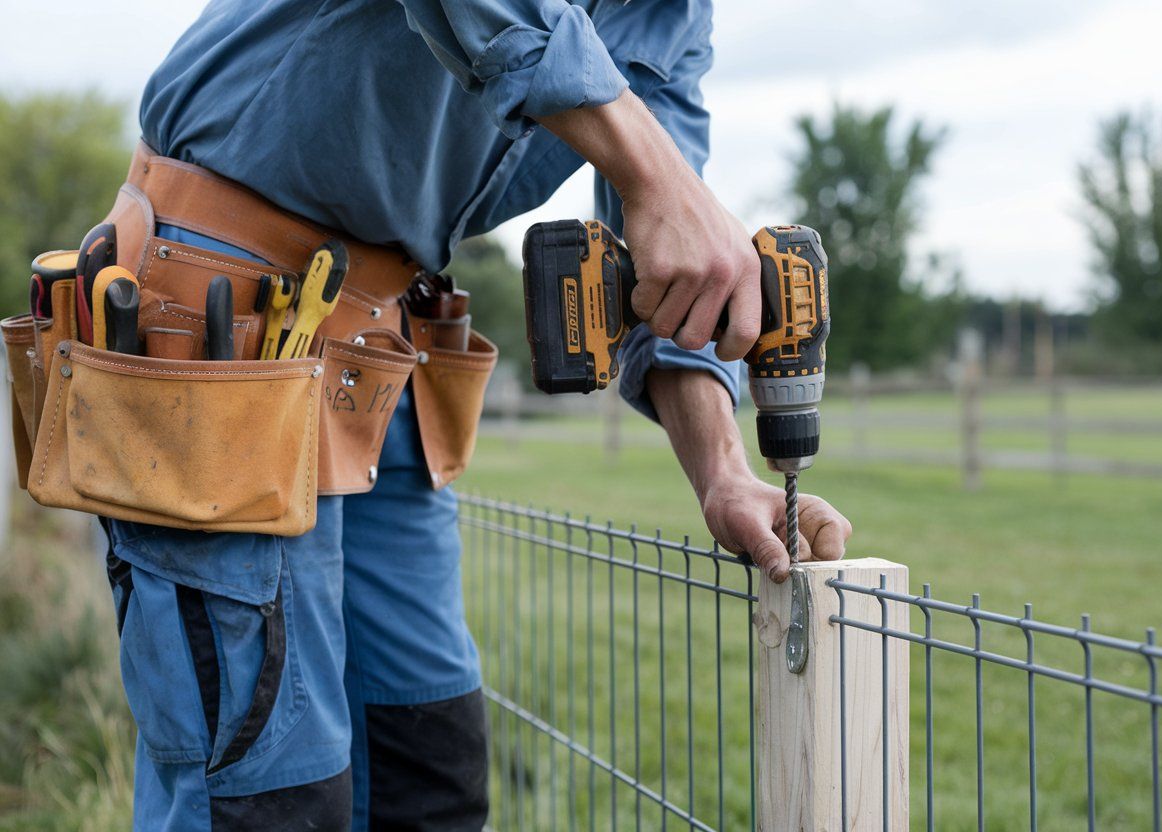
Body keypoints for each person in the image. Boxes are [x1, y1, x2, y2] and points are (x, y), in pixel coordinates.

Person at [103, 1, 853, 829]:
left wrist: (722, 470)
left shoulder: (670, 19)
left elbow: (671, 271)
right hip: (220, 308)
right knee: (265, 795)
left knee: (427, 768)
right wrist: (655, 174)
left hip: (381, 337)